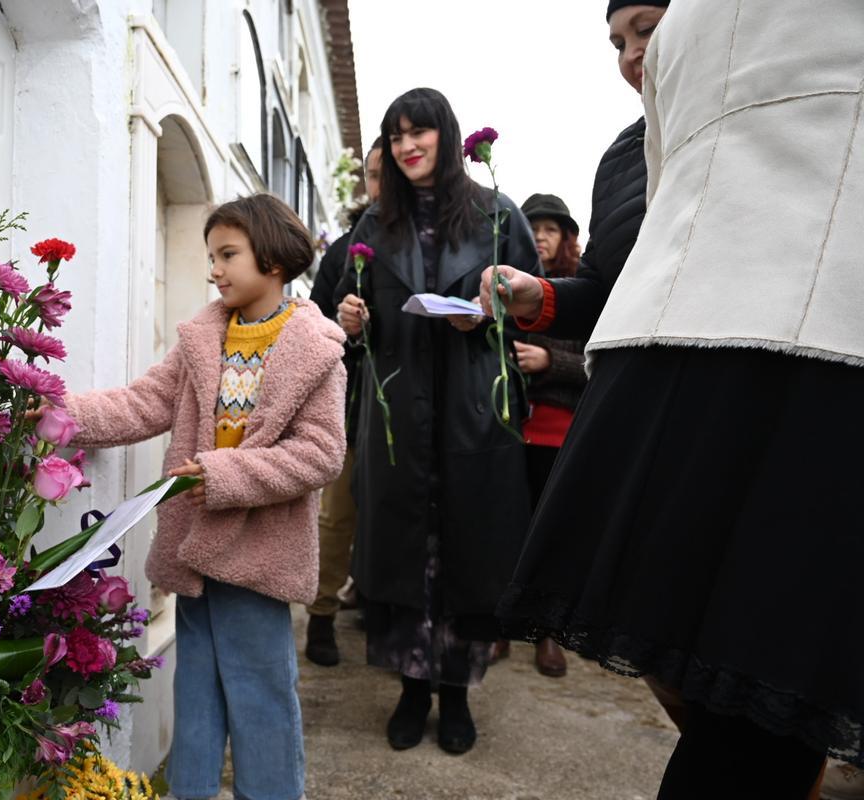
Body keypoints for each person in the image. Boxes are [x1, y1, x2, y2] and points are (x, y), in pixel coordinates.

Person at [484, 1, 864, 796]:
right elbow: (624, 277)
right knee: (695, 672)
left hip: (809, 367)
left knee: (759, 677)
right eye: (617, 42)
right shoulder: (627, 153)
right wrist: (538, 296)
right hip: (672, 373)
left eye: (646, 29)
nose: (631, 54)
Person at [59, 194, 346, 800]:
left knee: (260, 692)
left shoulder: (316, 349)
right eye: (211, 256)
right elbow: (142, 403)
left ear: (272, 260)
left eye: (228, 254)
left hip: (259, 553)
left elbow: (321, 454)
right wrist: (62, 416)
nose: (214, 269)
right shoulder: (203, 338)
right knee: (197, 689)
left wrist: (221, 475)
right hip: (193, 547)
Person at [334, 87, 541, 754]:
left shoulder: (497, 214)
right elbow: (352, 319)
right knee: (406, 557)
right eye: (395, 136)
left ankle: (455, 694)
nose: (405, 145)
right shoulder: (373, 225)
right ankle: (411, 689)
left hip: (472, 404)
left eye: (418, 131)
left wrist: (497, 307)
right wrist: (353, 322)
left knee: (465, 552)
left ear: (447, 138)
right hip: (398, 409)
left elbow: (535, 306)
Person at [489, 193, 586, 678]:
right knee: (506, 525)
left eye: (552, 228)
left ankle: (548, 632)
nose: (542, 236)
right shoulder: (504, 285)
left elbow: (599, 360)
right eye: (535, 227)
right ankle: (503, 626)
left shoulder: (585, 289)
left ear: (566, 237)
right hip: (510, 425)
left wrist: (552, 361)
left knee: (553, 532)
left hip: (560, 430)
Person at [304, 136, 383, 667]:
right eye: (374, 173)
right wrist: (345, 326)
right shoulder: (347, 245)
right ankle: (322, 615)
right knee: (338, 515)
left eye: (389, 172)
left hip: (409, 408)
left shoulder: (434, 244)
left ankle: (384, 607)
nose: (382, 184)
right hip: (352, 403)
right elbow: (313, 325)